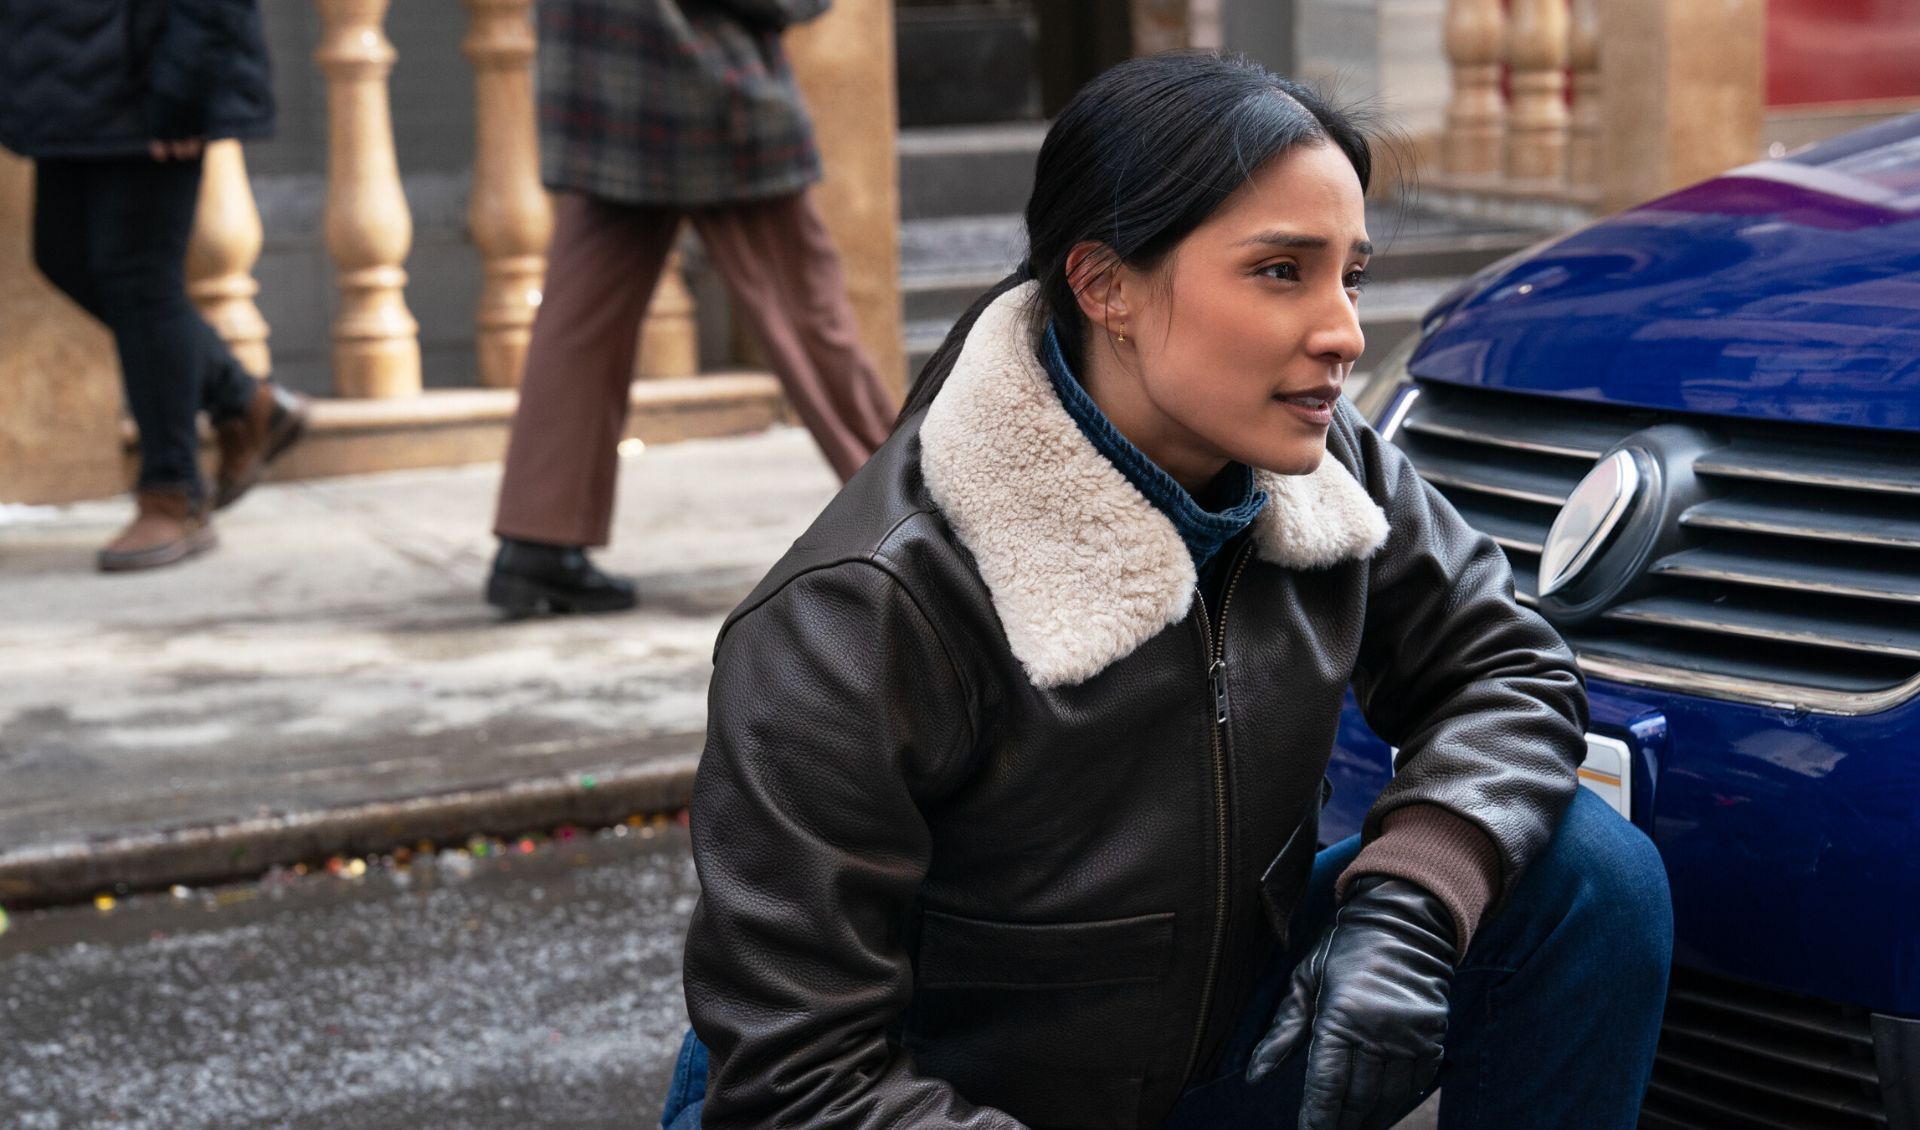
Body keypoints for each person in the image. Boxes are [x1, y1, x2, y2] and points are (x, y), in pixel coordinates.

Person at [666, 54, 1674, 1130]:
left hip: (1215, 1058)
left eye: (1351, 275)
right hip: (912, 1109)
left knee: (1588, 875)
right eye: (1281, 270)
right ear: (1104, 285)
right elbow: (798, 1083)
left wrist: (1411, 907)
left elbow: (1505, 667)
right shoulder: (861, 608)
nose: (1340, 331)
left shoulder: (1329, 468)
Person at [483, 0, 898, 617]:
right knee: (807, 313)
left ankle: (536, 540)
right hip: (702, 72)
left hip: (597, 72)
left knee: (581, 321)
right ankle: (916, 513)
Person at [0, 0, 306, 572]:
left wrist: (184, 89)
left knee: (140, 279)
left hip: (146, 82)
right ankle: (242, 398)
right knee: (63, 256)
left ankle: (173, 493)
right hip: (59, 86)